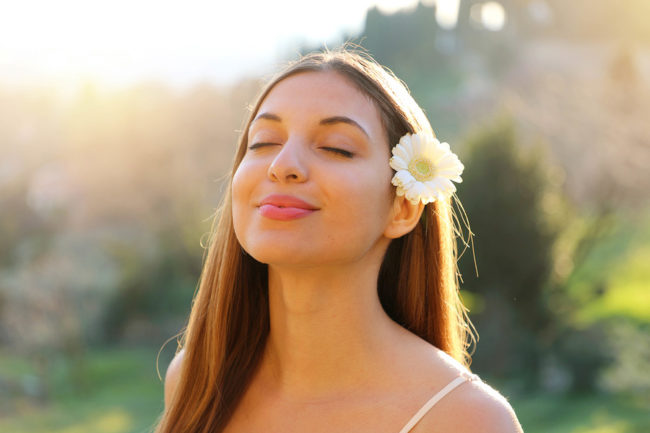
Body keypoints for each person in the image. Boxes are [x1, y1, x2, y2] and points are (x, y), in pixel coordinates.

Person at [155, 48, 523, 432]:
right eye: (263, 142)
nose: (283, 166)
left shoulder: (465, 421)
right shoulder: (196, 382)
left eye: (336, 147)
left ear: (403, 208)